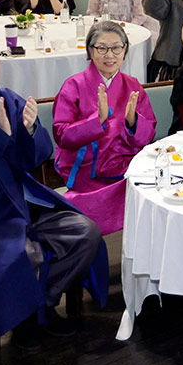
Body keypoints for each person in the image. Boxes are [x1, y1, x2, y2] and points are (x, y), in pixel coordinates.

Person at [0, 30, 107, 349]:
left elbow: (35, 157)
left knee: (84, 232)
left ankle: (41, 304)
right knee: (22, 252)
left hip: (18, 201)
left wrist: (31, 129)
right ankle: (25, 318)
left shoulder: (8, 99)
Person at [52, 21, 156, 234]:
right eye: (102, 48)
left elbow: (148, 134)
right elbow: (61, 135)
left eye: (117, 47)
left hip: (127, 168)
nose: (110, 55)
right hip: (89, 169)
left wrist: (132, 122)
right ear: (91, 50)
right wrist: (95, 121)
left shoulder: (133, 85)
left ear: (125, 51)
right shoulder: (73, 85)